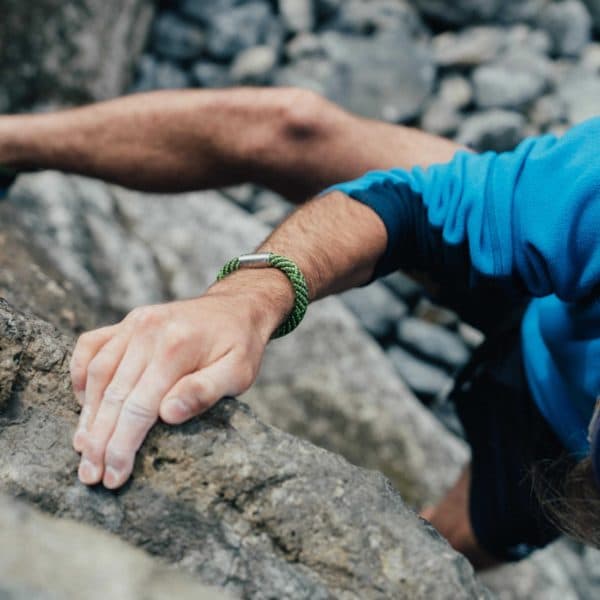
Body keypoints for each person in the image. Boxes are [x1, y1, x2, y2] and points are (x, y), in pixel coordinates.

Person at [1, 87, 598, 569]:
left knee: (435, 552)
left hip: (555, 439)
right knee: (294, 126)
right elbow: (413, 207)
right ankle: (10, 141)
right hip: (553, 283)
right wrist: (247, 299)